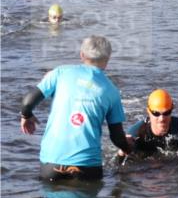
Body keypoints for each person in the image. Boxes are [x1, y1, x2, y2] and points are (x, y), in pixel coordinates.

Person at [19, 35, 132, 180]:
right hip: (87, 166)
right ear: (107, 60)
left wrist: (26, 115)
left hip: (52, 162)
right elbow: (116, 137)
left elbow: (27, 102)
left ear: (82, 55)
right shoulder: (111, 90)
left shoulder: (59, 73)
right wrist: (127, 149)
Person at [123, 89, 178, 158]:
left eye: (166, 113)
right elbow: (117, 166)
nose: (162, 118)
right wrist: (122, 150)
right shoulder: (136, 133)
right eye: (156, 113)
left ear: (172, 109)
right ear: (148, 112)